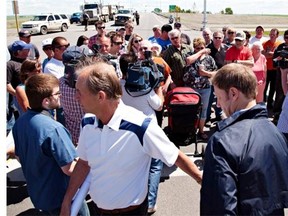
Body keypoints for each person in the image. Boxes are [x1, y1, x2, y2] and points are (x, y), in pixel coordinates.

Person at [60, 61, 202, 216]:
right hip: (98, 211)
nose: (76, 97)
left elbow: (176, 156)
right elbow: (83, 163)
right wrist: (67, 200)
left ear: (100, 96)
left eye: (80, 92)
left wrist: (203, 181)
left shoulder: (140, 126)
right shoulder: (87, 122)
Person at [200, 63, 288, 215]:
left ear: (233, 93)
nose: (219, 104)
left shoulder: (222, 141)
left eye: (219, 97)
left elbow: (219, 207)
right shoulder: (276, 133)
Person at [12, 73, 89, 215]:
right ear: (46, 101)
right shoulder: (54, 129)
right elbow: (70, 169)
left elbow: (18, 155)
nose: (60, 95)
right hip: (62, 198)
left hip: (39, 195)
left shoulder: (20, 123)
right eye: (57, 93)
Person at [119, 52, 164, 213]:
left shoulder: (117, 86)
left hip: (127, 131)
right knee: (154, 166)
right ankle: (150, 202)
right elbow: (159, 106)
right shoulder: (143, 86)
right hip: (149, 131)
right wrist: (158, 88)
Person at [183, 37, 217, 140]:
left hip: (205, 88)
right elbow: (188, 61)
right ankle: (189, 131)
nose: (200, 50)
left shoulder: (209, 58)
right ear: (194, 48)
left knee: (204, 111)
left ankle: (201, 131)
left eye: (202, 47)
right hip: (191, 88)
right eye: (198, 48)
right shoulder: (190, 56)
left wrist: (205, 73)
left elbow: (215, 73)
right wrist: (202, 51)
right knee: (190, 111)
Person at [7, 40, 32, 134]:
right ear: (18, 52)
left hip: (31, 96)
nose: (29, 50)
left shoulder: (27, 62)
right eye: (25, 49)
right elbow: (7, 84)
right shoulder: (10, 64)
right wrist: (18, 94)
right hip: (17, 100)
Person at [262, 28, 282, 109]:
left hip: (275, 69)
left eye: (273, 35)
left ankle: (270, 103)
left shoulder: (279, 45)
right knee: (264, 87)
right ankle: (262, 103)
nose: (272, 36)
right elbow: (264, 55)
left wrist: (271, 54)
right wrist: (273, 54)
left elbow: (280, 56)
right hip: (266, 69)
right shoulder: (265, 44)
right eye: (270, 34)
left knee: (273, 88)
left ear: (277, 36)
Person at [272, 30, 288, 124]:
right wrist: (278, 59)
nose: (287, 39)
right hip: (280, 72)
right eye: (285, 37)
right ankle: (277, 113)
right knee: (279, 93)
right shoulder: (280, 47)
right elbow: (274, 60)